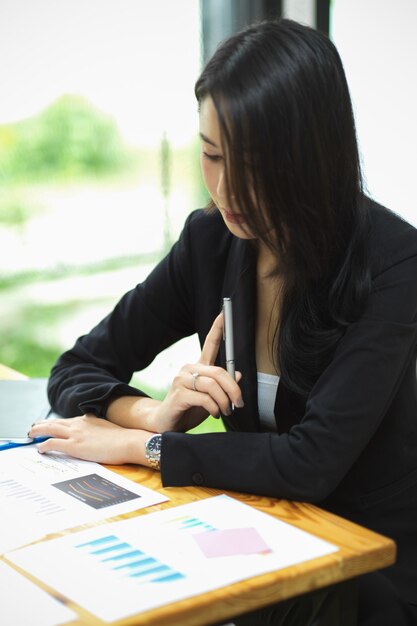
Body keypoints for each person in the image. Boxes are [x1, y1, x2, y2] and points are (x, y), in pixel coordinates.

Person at [29, 18, 417, 626]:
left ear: (311, 158)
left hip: (361, 569)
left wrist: (144, 446)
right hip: (248, 536)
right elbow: (79, 366)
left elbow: (310, 464)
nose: (228, 187)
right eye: (211, 155)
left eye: (255, 164)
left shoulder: (393, 262)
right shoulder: (211, 240)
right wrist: (154, 414)